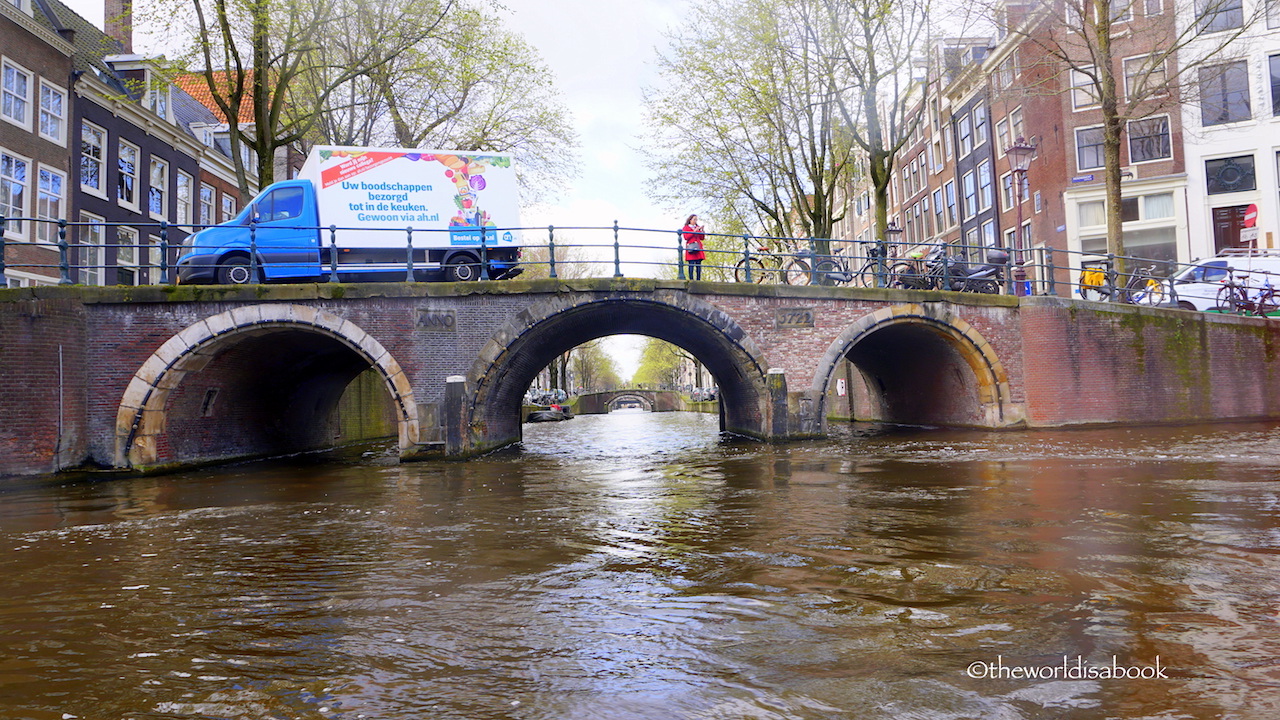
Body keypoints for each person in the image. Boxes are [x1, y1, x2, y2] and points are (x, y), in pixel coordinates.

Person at [682, 214, 706, 280]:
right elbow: (686, 237)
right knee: (691, 263)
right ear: (690, 220)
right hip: (691, 247)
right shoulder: (686, 228)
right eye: (694, 219)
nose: (695, 221)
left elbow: (702, 238)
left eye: (696, 219)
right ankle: (691, 279)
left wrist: (702, 231)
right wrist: (694, 231)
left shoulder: (697, 227)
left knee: (698, 264)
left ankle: (698, 279)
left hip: (698, 247)